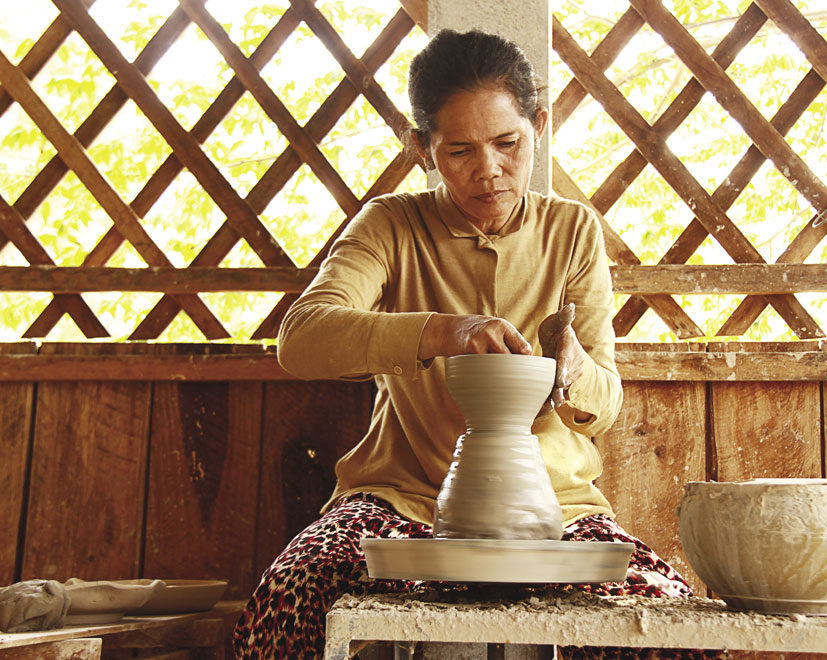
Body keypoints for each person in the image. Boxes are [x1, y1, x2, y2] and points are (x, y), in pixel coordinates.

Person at [233, 29, 702, 660]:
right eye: (459, 151)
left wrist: (574, 368)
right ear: (422, 147)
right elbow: (302, 338)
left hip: (552, 510)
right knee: (292, 592)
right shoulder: (391, 224)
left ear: (539, 124)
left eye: (509, 143)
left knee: (669, 621)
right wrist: (438, 331)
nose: (489, 170)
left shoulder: (571, 230)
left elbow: (606, 406)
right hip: (401, 499)